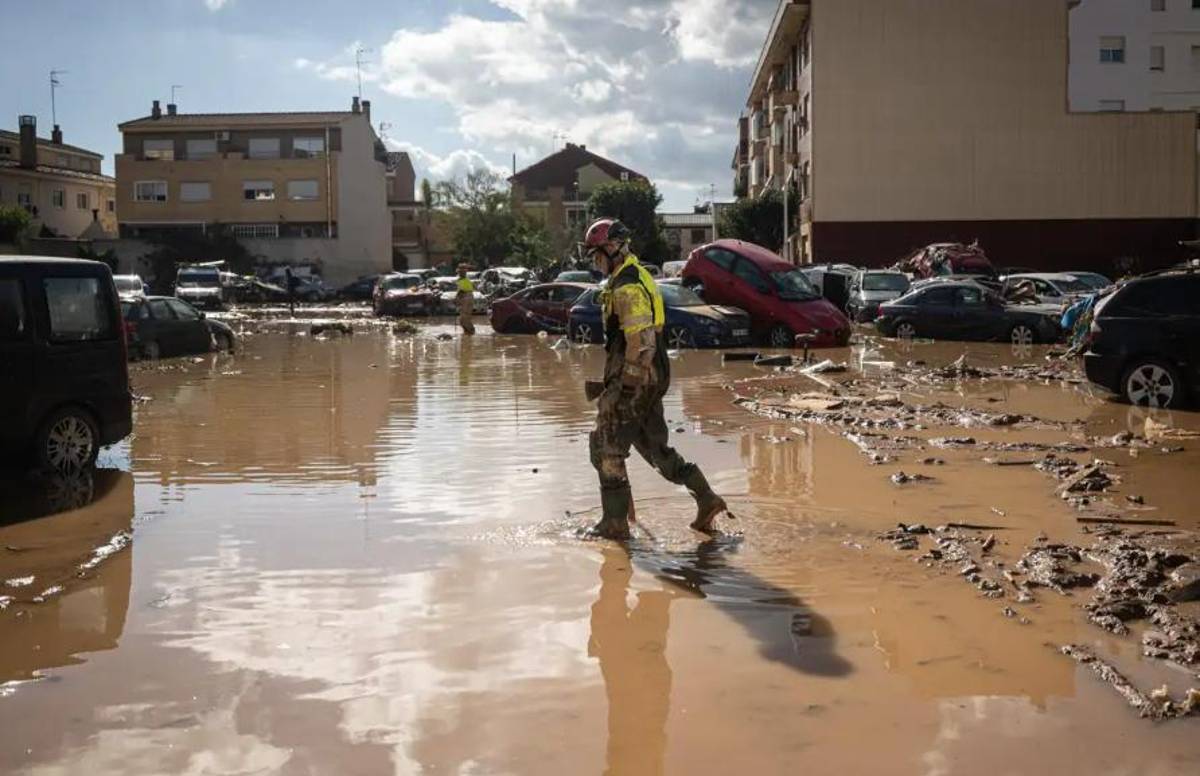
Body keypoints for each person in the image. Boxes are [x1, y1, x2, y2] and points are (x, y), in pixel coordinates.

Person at [583, 218, 727, 539]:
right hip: (653, 374)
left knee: (605, 447)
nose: (594, 262)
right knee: (656, 449)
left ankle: (615, 523)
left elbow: (642, 343)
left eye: (596, 255)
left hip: (637, 375)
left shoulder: (628, 286)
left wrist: (623, 390)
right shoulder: (635, 276)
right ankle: (706, 499)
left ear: (612, 249)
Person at [455, 264, 476, 335]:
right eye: (460, 272)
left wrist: (456, 299)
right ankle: (468, 333)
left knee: (464, 318)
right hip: (467, 297)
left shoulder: (463, 280)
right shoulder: (463, 279)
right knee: (464, 318)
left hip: (466, 297)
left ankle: (470, 332)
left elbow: (461, 291)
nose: (460, 273)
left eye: (461, 272)